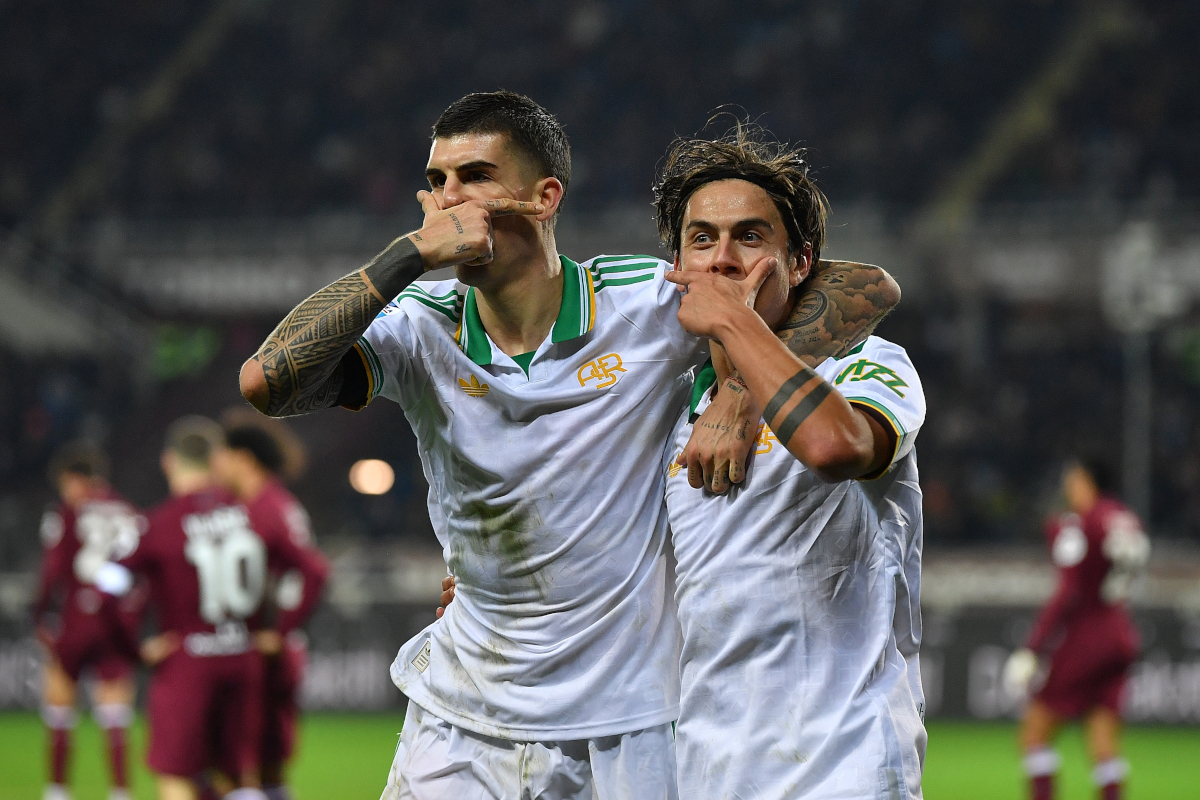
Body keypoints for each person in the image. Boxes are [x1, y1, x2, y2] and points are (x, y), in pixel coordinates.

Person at [239, 91, 898, 799]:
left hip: (630, 721)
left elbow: (859, 284)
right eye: (436, 182)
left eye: (476, 177)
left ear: (544, 196)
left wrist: (739, 396)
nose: (446, 199)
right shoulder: (419, 328)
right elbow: (267, 383)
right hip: (462, 711)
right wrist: (408, 255)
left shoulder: (644, 303)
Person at [655, 125, 928, 798]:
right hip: (700, 772)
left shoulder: (866, 366)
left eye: (749, 237)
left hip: (843, 766)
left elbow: (838, 448)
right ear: (679, 267)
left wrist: (738, 346)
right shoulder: (659, 411)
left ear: (800, 263)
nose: (722, 258)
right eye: (702, 239)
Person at [90, 416, 324, 800]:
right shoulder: (253, 514)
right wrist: (280, 631)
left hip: (188, 660)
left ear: (169, 462)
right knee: (237, 779)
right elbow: (313, 568)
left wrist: (134, 651)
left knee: (177, 778)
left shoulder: (159, 523)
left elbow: (105, 588)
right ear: (216, 460)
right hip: (243, 658)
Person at [1004, 458, 1149, 800]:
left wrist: (1033, 648)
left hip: (1089, 636)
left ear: (1087, 481)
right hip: (1121, 633)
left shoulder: (1083, 523)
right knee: (1104, 744)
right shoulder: (1124, 517)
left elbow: (1069, 592)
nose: (1068, 488)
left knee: (1035, 734)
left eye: (1073, 480)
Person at [212, 416, 330, 800]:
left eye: (222, 455)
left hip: (266, 655)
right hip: (250, 651)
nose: (216, 465)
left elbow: (313, 571)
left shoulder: (269, 507)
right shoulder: (252, 504)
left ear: (243, 459)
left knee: (251, 765)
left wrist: (280, 632)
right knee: (253, 764)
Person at [33, 442, 145, 800]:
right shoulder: (129, 513)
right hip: (115, 622)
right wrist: (127, 611)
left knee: (59, 707)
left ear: (76, 480)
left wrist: (40, 615)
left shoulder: (66, 512)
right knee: (115, 714)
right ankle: (120, 792)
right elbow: (141, 574)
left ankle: (57, 791)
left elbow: (52, 571)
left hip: (75, 620)